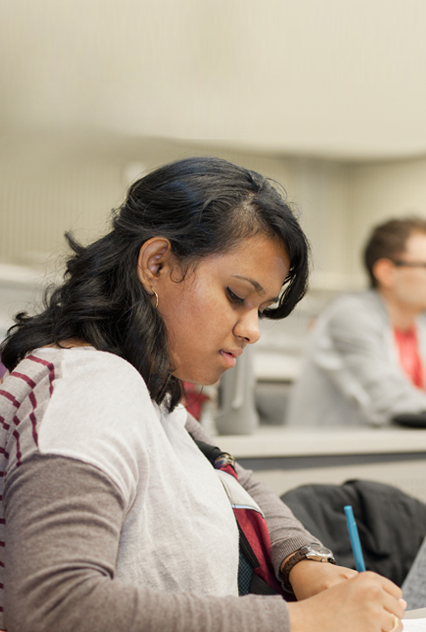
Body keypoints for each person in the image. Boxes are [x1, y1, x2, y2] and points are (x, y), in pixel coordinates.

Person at [0, 157, 405, 632]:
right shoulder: (92, 387)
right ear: (156, 263)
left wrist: (303, 561)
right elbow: (52, 606)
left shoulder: (145, 387)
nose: (252, 330)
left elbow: (228, 473)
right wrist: (301, 619)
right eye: (237, 295)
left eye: (261, 308)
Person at [287, 216, 426, 428]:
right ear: (387, 273)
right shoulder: (351, 315)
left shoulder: (419, 326)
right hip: (329, 456)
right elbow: (392, 403)